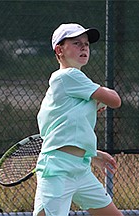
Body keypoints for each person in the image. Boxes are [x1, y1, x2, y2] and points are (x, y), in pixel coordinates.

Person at [33, 23, 123, 216]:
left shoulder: (71, 93)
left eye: (86, 44)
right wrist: (100, 97)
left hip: (80, 170)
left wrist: (93, 154)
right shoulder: (68, 76)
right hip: (57, 171)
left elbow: (63, 129)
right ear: (59, 50)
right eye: (76, 43)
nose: (84, 47)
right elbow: (115, 100)